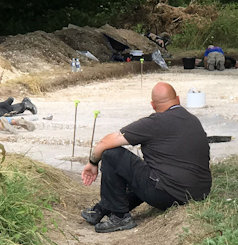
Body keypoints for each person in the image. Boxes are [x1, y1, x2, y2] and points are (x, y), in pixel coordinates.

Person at [80, 82, 212, 233]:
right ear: (178, 99)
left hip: (169, 194)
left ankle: (119, 216)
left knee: (111, 154)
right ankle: (101, 209)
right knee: (148, 172)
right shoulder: (193, 121)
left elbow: (105, 143)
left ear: (152, 105)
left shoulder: (154, 122)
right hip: (199, 192)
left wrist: (93, 162)